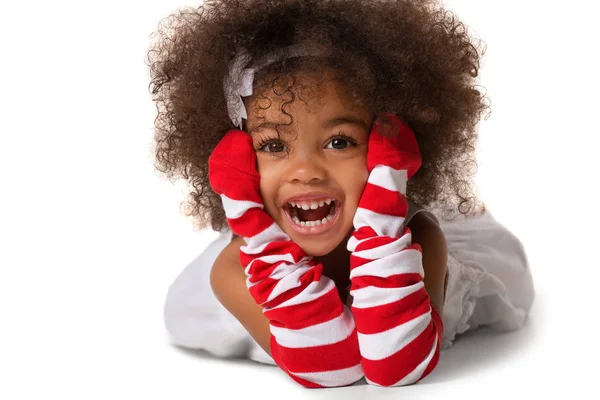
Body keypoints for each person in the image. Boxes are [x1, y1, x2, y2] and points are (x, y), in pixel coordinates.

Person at [147, 0, 535, 388]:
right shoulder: (234, 271)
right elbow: (332, 369)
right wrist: (259, 234)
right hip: (265, 274)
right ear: (235, 159)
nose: (306, 172)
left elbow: (397, 367)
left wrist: (383, 223)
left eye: (339, 141)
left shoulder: (418, 239)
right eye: (271, 146)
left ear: (384, 146)